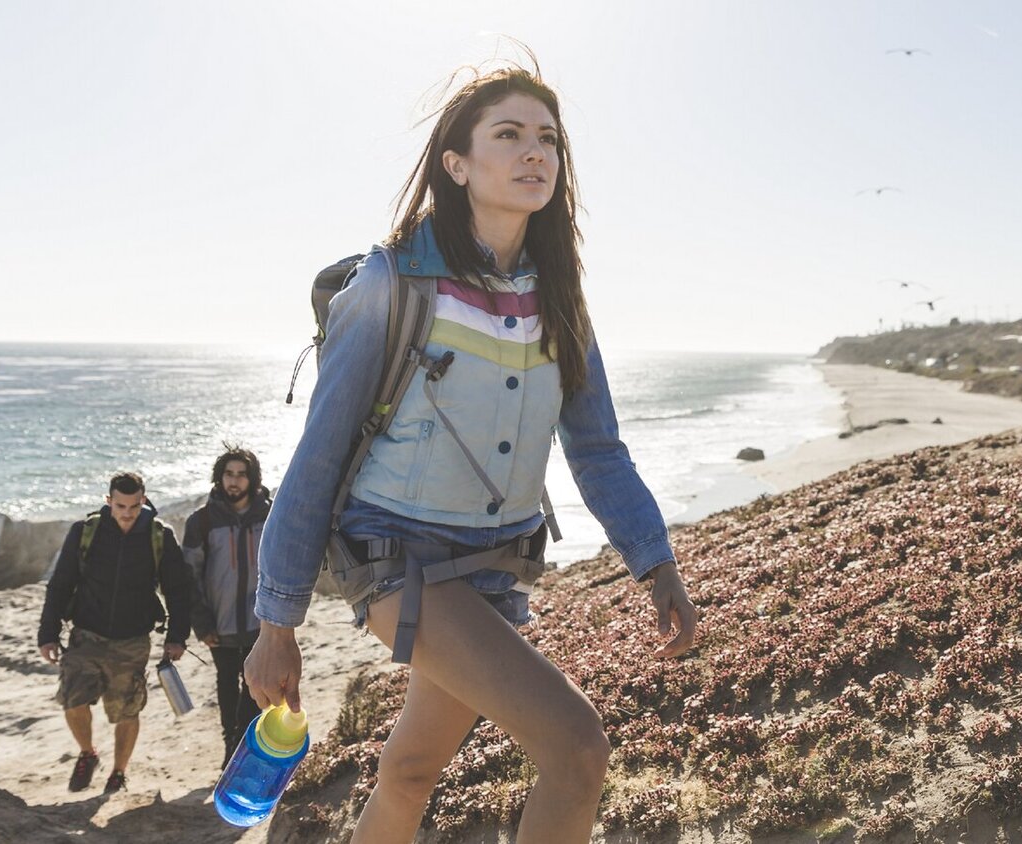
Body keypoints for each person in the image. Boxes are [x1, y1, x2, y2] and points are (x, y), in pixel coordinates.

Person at [245, 60, 697, 843]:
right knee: (577, 748)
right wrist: (275, 623)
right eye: (509, 135)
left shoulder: (558, 299)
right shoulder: (394, 281)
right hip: (395, 555)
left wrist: (655, 561)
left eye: (548, 139)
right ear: (457, 165)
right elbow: (316, 457)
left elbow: (597, 450)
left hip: (496, 567)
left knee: (412, 771)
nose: (535, 154)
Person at [37, 472, 193, 794]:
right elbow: (61, 583)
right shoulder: (86, 532)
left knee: (126, 710)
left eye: (134, 506)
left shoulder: (158, 536)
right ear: (109, 501)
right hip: (86, 636)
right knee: (72, 699)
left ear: (143, 500)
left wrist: (177, 635)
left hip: (132, 641)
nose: (126, 513)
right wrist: (47, 632)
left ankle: (118, 773)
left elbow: (178, 590)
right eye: (120, 506)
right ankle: (87, 753)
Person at [182, 445, 271, 767]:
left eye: (241, 475)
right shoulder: (201, 521)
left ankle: (243, 747)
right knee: (226, 683)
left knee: (256, 684)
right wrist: (201, 624)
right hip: (219, 622)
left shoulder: (270, 514)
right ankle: (229, 743)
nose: (234, 481)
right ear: (219, 479)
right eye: (228, 474)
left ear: (252, 479)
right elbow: (188, 576)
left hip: (262, 620)